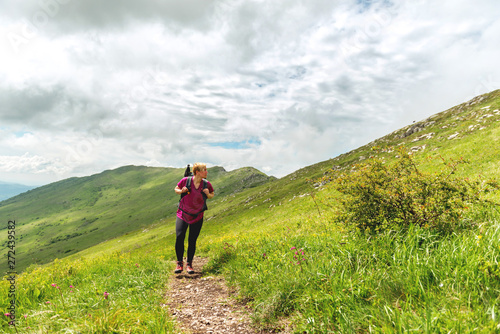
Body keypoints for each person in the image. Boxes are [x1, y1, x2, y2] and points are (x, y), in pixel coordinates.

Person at [174, 162, 214, 274]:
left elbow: (212, 194)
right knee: (179, 236)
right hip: (183, 213)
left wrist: (208, 194)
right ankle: (179, 263)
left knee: (192, 240)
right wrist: (181, 191)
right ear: (197, 172)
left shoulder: (206, 184)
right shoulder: (186, 181)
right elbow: (176, 189)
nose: (206, 172)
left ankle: (189, 264)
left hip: (197, 215)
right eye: (204, 170)